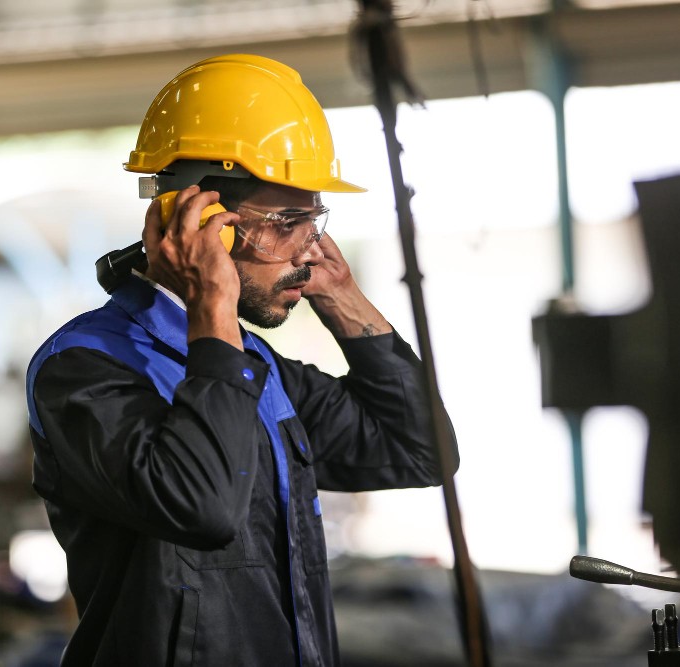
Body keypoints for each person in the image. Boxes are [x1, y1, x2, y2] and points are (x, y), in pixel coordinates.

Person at [25, 53, 458, 666]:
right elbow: (201, 506)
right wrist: (213, 302)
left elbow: (421, 449)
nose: (308, 250)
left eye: (314, 222)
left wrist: (341, 296)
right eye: (287, 223)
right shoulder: (83, 369)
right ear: (203, 220)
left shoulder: (257, 369)